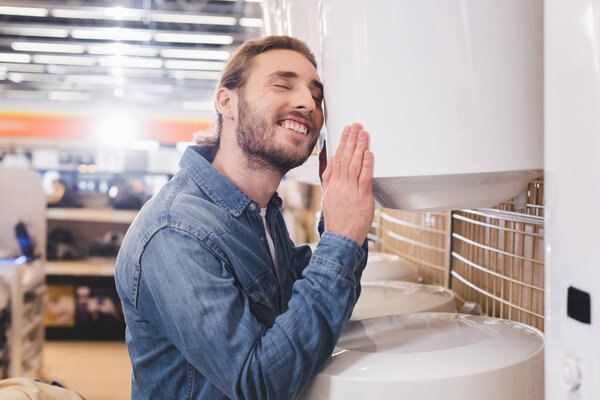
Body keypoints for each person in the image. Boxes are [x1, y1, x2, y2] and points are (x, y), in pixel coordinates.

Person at [115, 35, 375, 399]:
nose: (307, 103)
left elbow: (304, 320)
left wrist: (344, 225)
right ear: (227, 101)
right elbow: (259, 383)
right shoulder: (175, 232)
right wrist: (342, 239)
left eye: (316, 97)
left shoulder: (261, 212)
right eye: (283, 85)